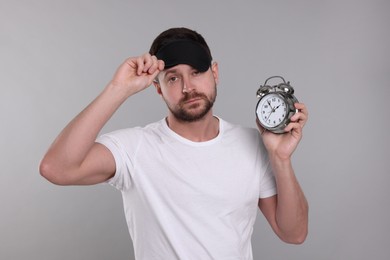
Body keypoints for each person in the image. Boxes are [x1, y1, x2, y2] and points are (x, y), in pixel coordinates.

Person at [40, 27, 308, 259]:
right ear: (158, 88)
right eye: (173, 78)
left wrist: (281, 159)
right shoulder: (134, 148)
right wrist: (118, 88)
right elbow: (57, 168)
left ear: (214, 72)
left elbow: (294, 233)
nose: (188, 87)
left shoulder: (252, 143)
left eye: (196, 72)